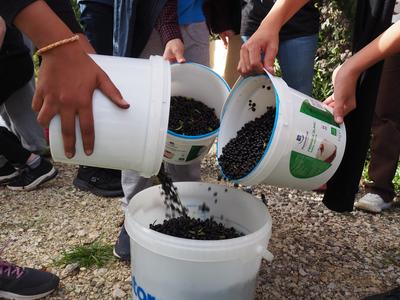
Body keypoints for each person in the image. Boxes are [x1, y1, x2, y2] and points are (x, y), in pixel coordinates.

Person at [0, 15, 59, 300]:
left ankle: (34, 163)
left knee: (30, 132)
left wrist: (61, 50)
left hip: (11, 58)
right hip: (14, 57)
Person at [241, 0, 319, 96]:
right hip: (253, 21)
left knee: (299, 94)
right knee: (256, 94)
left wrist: (269, 26)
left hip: (299, 24)